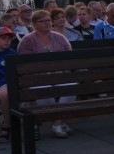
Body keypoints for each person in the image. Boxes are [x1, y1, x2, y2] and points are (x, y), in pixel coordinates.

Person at [17, 10, 74, 138]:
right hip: (36, 77)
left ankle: (57, 122)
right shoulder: (27, 40)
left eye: (48, 20)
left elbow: (69, 58)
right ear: (34, 24)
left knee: (71, 85)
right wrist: (42, 71)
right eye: (42, 21)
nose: (46, 23)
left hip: (59, 75)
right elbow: (25, 64)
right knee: (43, 88)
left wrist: (62, 69)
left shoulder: (60, 38)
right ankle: (57, 122)